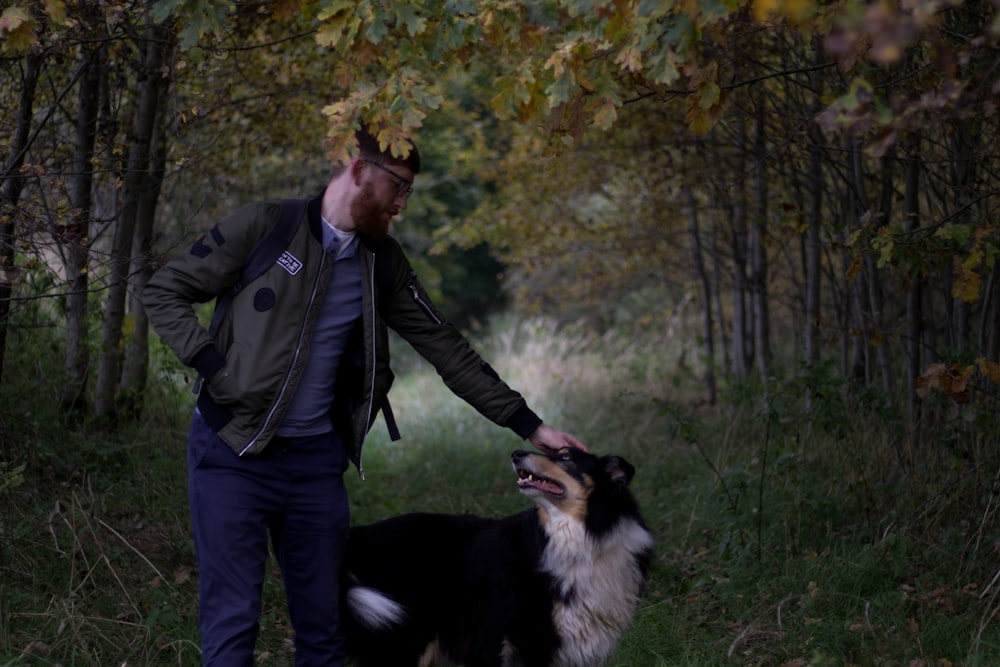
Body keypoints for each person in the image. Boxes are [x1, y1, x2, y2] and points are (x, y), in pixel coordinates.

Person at [142, 125, 586, 666]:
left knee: (325, 633)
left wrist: (531, 426)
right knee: (233, 624)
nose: (401, 204)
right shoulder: (266, 226)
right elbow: (164, 290)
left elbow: (445, 347)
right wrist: (214, 366)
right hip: (231, 454)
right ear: (358, 170)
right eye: (398, 187)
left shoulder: (384, 264)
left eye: (409, 192)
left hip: (314, 468)